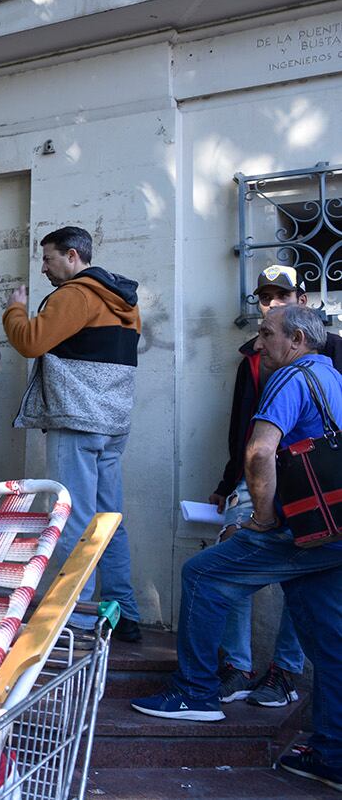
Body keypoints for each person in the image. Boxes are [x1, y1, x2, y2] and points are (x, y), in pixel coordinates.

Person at [131, 305, 342, 791]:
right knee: (329, 640)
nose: (258, 343)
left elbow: (259, 450)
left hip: (301, 528)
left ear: (297, 341)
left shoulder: (291, 378)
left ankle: (195, 693)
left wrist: (262, 520)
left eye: (267, 334)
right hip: (332, 532)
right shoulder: (333, 377)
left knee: (203, 574)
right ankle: (332, 753)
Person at [3, 226, 143, 643]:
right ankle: (124, 612)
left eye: (48, 258)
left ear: (72, 255)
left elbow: (30, 341)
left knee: (73, 520)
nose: (43, 267)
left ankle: (75, 617)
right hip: (112, 423)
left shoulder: (76, 294)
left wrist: (14, 309)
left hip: (76, 421)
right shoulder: (124, 301)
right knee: (108, 521)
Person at [207, 265, 337, 707]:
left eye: (281, 295)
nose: (272, 303)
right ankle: (238, 667)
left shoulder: (328, 350)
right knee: (231, 559)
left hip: (315, 484)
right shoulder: (254, 353)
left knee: (302, 579)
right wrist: (229, 481)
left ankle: (284, 671)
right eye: (265, 297)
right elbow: (243, 425)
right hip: (257, 474)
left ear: (301, 299)